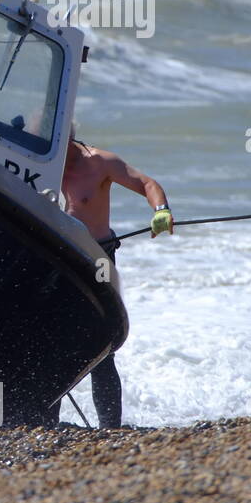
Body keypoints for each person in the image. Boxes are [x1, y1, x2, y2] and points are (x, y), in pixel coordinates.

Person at [61, 129, 171, 428]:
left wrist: (161, 210)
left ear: (68, 136)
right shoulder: (40, 164)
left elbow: (147, 183)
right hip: (56, 258)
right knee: (55, 341)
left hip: (97, 258)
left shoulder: (100, 162)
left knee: (100, 344)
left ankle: (110, 428)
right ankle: (45, 422)